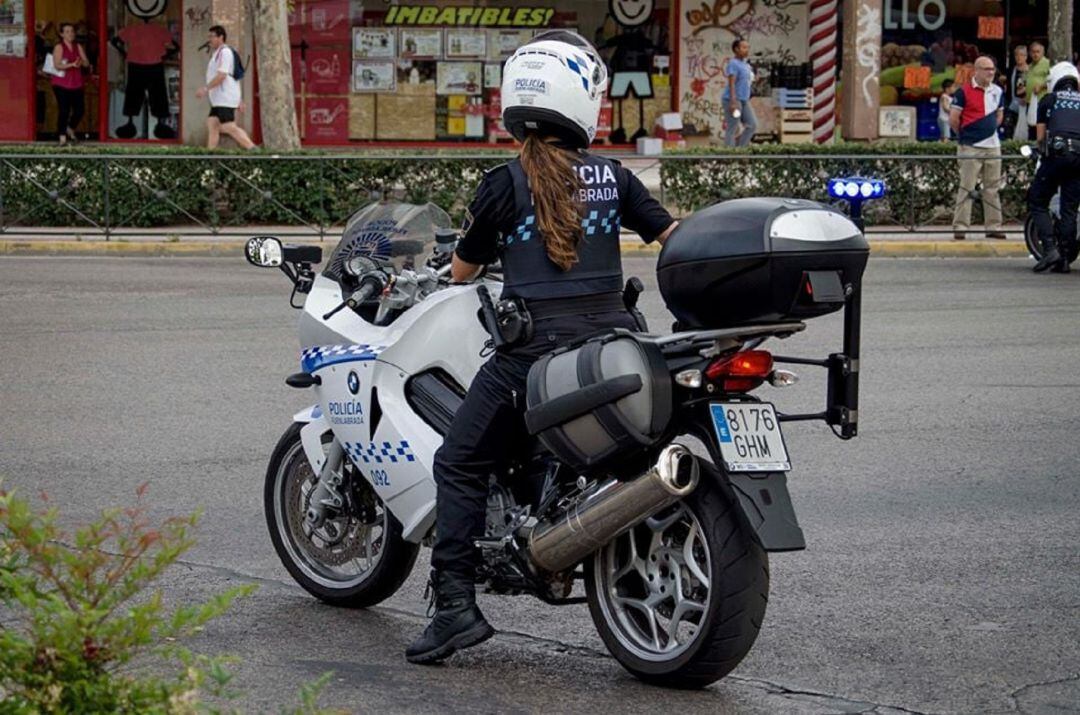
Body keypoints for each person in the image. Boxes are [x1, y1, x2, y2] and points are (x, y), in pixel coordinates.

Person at [405, 29, 678, 665]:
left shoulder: (503, 182)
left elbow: (463, 273)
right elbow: (671, 235)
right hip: (618, 344)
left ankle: (454, 609)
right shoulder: (614, 176)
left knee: (460, 461)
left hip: (535, 354)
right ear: (582, 101)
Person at [1029, 62, 1080, 273]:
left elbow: (1041, 138)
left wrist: (1041, 152)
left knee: (1037, 199)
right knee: (1069, 208)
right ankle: (1065, 259)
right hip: (1079, 158)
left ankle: (1050, 249)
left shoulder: (1048, 100)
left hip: (1057, 154)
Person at [950, 55, 1005, 241]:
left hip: (993, 146)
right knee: (966, 187)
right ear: (976, 71)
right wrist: (966, 136)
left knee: (992, 188)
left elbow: (999, 116)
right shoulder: (962, 92)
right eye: (986, 69)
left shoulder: (998, 91)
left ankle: (994, 226)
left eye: (992, 69)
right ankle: (960, 227)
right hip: (970, 146)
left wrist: (989, 131)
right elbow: (953, 119)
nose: (991, 73)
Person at [195, 25, 255, 150]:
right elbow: (233, 78)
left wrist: (205, 89)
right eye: (209, 36)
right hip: (218, 99)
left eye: (212, 36)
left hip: (224, 98)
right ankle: (210, 157)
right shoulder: (217, 53)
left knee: (228, 127)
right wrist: (239, 99)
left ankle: (253, 149)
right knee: (213, 124)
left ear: (221, 37)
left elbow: (222, 75)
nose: (209, 39)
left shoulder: (225, 52)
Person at [50, 22, 89, 146]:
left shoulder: (78, 46)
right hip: (61, 83)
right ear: (62, 34)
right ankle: (62, 137)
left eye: (72, 31)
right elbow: (57, 65)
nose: (70, 34)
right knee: (64, 110)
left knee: (80, 110)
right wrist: (71, 65)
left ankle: (70, 127)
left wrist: (81, 62)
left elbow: (87, 62)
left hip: (76, 82)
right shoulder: (59, 47)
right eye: (67, 32)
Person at [722, 38, 756, 148]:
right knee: (733, 127)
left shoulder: (745, 64)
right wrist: (733, 102)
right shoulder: (733, 64)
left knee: (752, 125)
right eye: (744, 48)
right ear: (736, 49)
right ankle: (729, 156)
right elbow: (731, 83)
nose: (747, 50)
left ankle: (740, 149)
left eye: (748, 47)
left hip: (744, 100)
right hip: (733, 100)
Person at [1024, 41, 1051, 140]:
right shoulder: (1030, 66)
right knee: (1031, 127)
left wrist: (1041, 86)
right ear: (1030, 53)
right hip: (1031, 101)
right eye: (1033, 52)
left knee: (1039, 127)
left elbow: (1052, 80)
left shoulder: (1047, 64)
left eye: (1038, 52)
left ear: (1042, 53)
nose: (1035, 54)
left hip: (1042, 101)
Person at [1005, 44, 1029, 140]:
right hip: (1012, 103)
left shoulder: (1029, 71)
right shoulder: (1012, 70)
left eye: (1021, 55)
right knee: (1008, 125)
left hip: (1024, 104)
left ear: (1026, 56)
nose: (1019, 57)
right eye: (1016, 55)